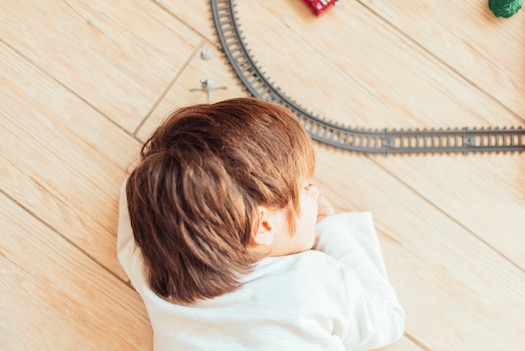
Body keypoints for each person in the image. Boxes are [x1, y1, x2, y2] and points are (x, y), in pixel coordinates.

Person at [117, 97, 405, 350]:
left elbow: (136, 191)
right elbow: (388, 320)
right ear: (264, 228)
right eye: (305, 188)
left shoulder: (152, 270)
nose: (316, 192)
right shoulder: (314, 280)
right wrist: (330, 229)